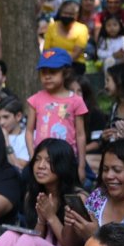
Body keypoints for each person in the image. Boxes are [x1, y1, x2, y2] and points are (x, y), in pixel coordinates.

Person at [26, 48, 88, 183]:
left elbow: (80, 134)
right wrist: (32, 156)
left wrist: (81, 165)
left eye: (53, 72)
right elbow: (29, 131)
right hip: (41, 160)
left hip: (66, 159)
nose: (47, 76)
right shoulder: (35, 99)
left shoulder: (76, 100)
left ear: (65, 73)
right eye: (43, 72)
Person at [44, 1, 90, 75]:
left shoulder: (82, 29)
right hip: (52, 63)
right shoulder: (52, 26)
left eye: (71, 14)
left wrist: (60, 64)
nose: (67, 16)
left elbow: (76, 54)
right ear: (60, 13)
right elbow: (46, 50)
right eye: (65, 13)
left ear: (77, 15)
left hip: (75, 64)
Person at [0, 95, 29, 170]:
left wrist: (6, 142)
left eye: (6, 117)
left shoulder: (27, 137)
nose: (1, 122)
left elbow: (19, 167)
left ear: (18, 116)